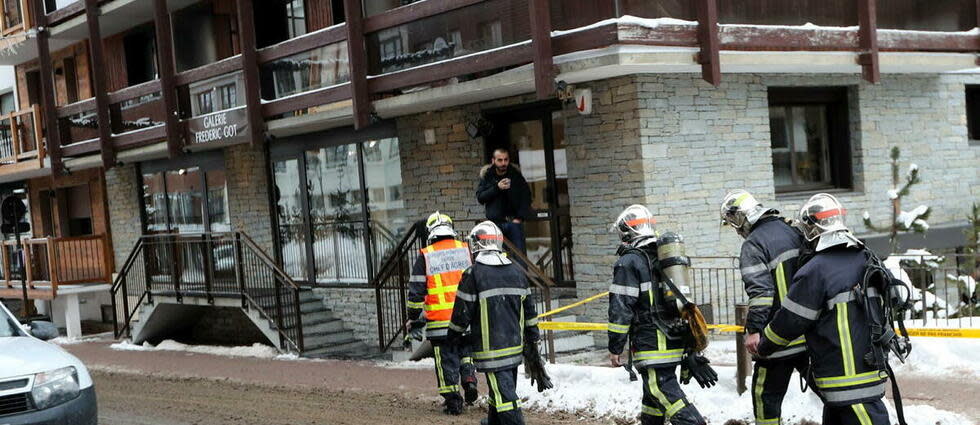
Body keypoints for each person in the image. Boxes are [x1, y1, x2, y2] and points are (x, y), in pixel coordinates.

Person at [754, 194, 895, 425]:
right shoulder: (867, 258)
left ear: (810, 229)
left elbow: (790, 321)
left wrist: (764, 345)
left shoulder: (816, 270)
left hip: (846, 381)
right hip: (868, 371)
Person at [607, 205, 713, 425]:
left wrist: (615, 347)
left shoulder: (628, 262)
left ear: (628, 233)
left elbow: (620, 308)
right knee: (652, 401)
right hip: (673, 339)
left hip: (652, 344)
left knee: (662, 392)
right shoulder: (661, 257)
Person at [720, 190, 808, 425]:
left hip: (777, 340)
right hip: (809, 335)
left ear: (739, 217)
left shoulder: (754, 244)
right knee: (830, 396)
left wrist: (754, 330)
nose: (736, 230)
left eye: (733, 223)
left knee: (764, 397)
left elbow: (761, 294)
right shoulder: (792, 230)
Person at [448, 221, 541, 425]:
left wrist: (453, 336)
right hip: (514, 347)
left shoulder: (474, 274)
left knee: (506, 398)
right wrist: (533, 340)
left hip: (491, 351)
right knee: (501, 391)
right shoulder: (517, 273)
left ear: (476, 246)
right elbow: (530, 313)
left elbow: (462, 313)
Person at [406, 212, 478, 415]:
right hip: (465, 318)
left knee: (445, 359)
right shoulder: (465, 249)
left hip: (440, 323)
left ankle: (453, 401)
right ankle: (470, 380)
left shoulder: (426, 254)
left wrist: (413, 316)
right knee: (466, 352)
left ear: (431, 232)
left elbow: (416, 290)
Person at [476, 148, 531, 254]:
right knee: (496, 257)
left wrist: (519, 217)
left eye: (506, 160)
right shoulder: (488, 177)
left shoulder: (516, 176)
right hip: (495, 225)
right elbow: (480, 197)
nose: (503, 163)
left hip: (513, 223)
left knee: (519, 257)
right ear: (493, 161)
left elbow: (526, 198)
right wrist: (497, 187)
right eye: (500, 160)